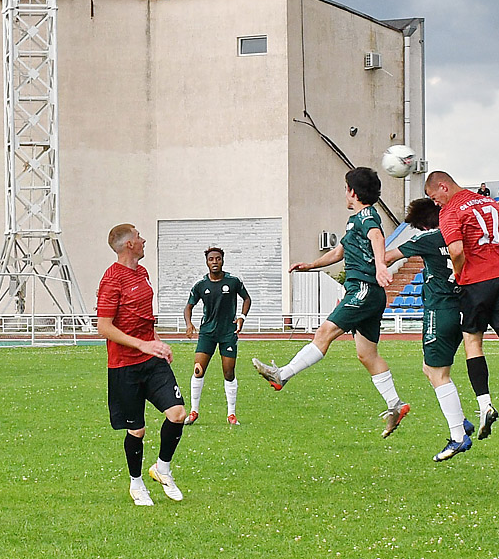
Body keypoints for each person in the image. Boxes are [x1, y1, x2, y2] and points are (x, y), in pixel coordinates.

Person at [252, 167, 410, 438]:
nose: (344, 192)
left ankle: (283, 375)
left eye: (345, 187)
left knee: (324, 333)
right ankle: (395, 405)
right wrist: (311, 264)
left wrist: (381, 265)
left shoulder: (367, 216)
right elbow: (339, 252)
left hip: (362, 290)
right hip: (369, 294)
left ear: (353, 191)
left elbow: (377, 237)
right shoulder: (354, 221)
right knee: (367, 355)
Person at [424, 171, 499, 440]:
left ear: (443, 186)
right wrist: (495, 259)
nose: (436, 203)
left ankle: (485, 404)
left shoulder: (451, 210)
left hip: (475, 283)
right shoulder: (491, 203)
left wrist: (460, 274)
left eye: (434, 197)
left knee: (473, 343)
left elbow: (457, 251)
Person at [96, 224, 186, 507]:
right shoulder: (111, 280)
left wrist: (157, 343)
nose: (143, 239)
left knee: (178, 413)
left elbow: (145, 319)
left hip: (151, 361)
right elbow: (103, 327)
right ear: (128, 246)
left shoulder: (143, 273)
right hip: (124, 366)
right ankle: (136, 484)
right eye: (138, 237)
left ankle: (162, 468)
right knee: (137, 431)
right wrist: (142, 344)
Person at [384, 198, 474, 461]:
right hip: (463, 307)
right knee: (432, 369)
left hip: (440, 309)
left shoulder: (429, 237)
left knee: (438, 373)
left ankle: (458, 436)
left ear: (423, 225)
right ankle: (462, 421)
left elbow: (390, 256)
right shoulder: (460, 236)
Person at [183, 247, 251, 426]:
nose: (215, 262)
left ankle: (231, 414)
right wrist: (189, 324)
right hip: (207, 333)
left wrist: (241, 318)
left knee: (229, 373)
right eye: (211, 259)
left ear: (223, 260)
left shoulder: (233, 281)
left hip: (228, 333)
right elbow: (188, 306)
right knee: (198, 370)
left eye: (218, 259)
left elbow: (247, 299)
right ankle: (194, 412)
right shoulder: (200, 285)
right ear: (207, 262)